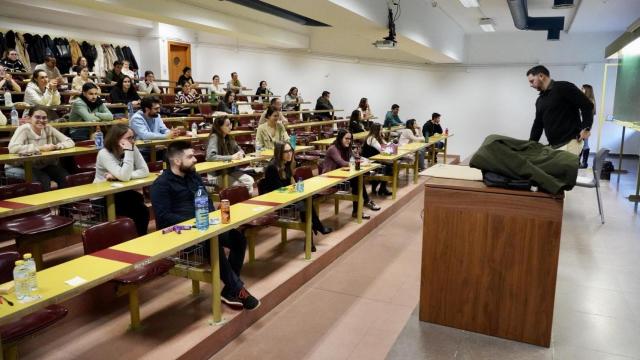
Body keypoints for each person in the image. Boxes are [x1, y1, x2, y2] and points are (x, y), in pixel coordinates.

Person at [150, 141, 260, 310]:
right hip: (182, 233)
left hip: (206, 226)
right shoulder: (161, 185)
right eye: (190, 156)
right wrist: (194, 224)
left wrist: (210, 218)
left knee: (238, 239)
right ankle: (238, 290)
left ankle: (229, 290)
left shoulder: (193, 176)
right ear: (177, 161)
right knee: (213, 242)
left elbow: (207, 200)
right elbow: (164, 218)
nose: (195, 159)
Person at [261, 141, 332, 251]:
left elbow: (292, 182)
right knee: (306, 203)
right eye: (286, 151)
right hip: (277, 201)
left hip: (287, 197)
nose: (289, 154)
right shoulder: (272, 168)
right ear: (279, 153)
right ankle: (316, 228)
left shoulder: (287, 164)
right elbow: (279, 191)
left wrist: (297, 188)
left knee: (306, 201)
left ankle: (312, 236)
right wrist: (295, 190)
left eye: (290, 151)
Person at [94, 124, 149, 235]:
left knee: (143, 211)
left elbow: (144, 171)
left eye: (133, 137)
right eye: (129, 138)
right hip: (102, 196)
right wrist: (128, 152)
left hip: (121, 191)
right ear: (116, 139)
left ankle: (140, 240)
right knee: (137, 211)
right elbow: (124, 176)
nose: (132, 141)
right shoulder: (104, 153)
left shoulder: (133, 147)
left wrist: (119, 177)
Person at [526, 65, 593, 156]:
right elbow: (538, 125)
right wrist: (530, 146)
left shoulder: (564, 87)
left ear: (541, 76)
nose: (530, 85)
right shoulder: (540, 100)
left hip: (571, 144)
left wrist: (586, 127)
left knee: (567, 170)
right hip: (554, 146)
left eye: (532, 81)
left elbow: (587, 106)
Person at [6, 108, 74, 190]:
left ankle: (65, 203)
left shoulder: (49, 128)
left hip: (40, 166)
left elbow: (70, 142)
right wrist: (40, 148)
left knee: (65, 176)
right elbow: (13, 148)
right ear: (29, 119)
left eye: (44, 118)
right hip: (18, 167)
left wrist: (57, 146)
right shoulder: (24, 129)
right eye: (37, 117)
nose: (41, 120)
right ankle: (47, 202)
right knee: (43, 179)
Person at [322, 129, 381, 218]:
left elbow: (356, 157)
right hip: (330, 179)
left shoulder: (346, 148)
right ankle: (363, 204)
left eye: (350, 139)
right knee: (357, 180)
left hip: (341, 175)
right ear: (340, 138)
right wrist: (358, 163)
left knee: (358, 179)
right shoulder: (333, 149)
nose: (348, 141)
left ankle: (359, 208)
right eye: (346, 139)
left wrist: (365, 160)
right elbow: (342, 163)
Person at [205, 117, 255, 193]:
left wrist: (241, 153)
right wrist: (231, 157)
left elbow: (239, 149)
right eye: (227, 125)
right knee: (240, 187)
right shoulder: (214, 137)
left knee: (250, 181)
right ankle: (239, 202)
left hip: (231, 171)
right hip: (217, 174)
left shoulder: (229, 137)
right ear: (219, 127)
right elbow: (210, 157)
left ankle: (244, 202)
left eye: (230, 124)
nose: (230, 127)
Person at [361, 123, 392, 196]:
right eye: (381, 129)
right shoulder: (371, 138)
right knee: (388, 168)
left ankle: (380, 187)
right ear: (377, 130)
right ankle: (381, 188)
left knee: (389, 165)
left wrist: (383, 138)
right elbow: (382, 149)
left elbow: (387, 146)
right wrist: (389, 148)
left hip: (375, 159)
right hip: (369, 161)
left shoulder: (377, 137)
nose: (382, 130)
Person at [580, 84, 596, 168]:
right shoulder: (588, 100)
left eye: (582, 88)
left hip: (585, 126)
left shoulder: (589, 101)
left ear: (587, 90)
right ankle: (582, 163)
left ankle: (583, 163)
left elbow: (589, 117)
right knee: (583, 144)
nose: (581, 89)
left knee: (584, 144)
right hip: (585, 125)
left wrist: (586, 128)